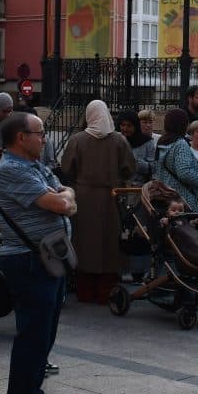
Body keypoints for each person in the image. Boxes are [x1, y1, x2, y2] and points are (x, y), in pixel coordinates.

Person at [0, 110, 76, 394]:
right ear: (21, 138)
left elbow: (67, 194)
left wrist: (64, 197)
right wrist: (63, 199)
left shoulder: (35, 166)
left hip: (50, 257)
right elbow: (60, 203)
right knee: (32, 335)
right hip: (28, 260)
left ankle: (34, 391)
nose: (45, 138)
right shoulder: (11, 170)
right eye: (40, 133)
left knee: (47, 332)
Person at [57, 100, 136, 303]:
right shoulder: (119, 140)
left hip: (83, 198)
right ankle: (105, 292)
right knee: (109, 244)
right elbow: (129, 168)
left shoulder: (77, 140)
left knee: (84, 243)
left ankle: (85, 290)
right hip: (111, 197)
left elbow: (66, 169)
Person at [155, 109, 198, 212]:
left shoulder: (162, 142)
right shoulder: (180, 144)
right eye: (186, 122)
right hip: (182, 200)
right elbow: (184, 173)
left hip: (166, 197)